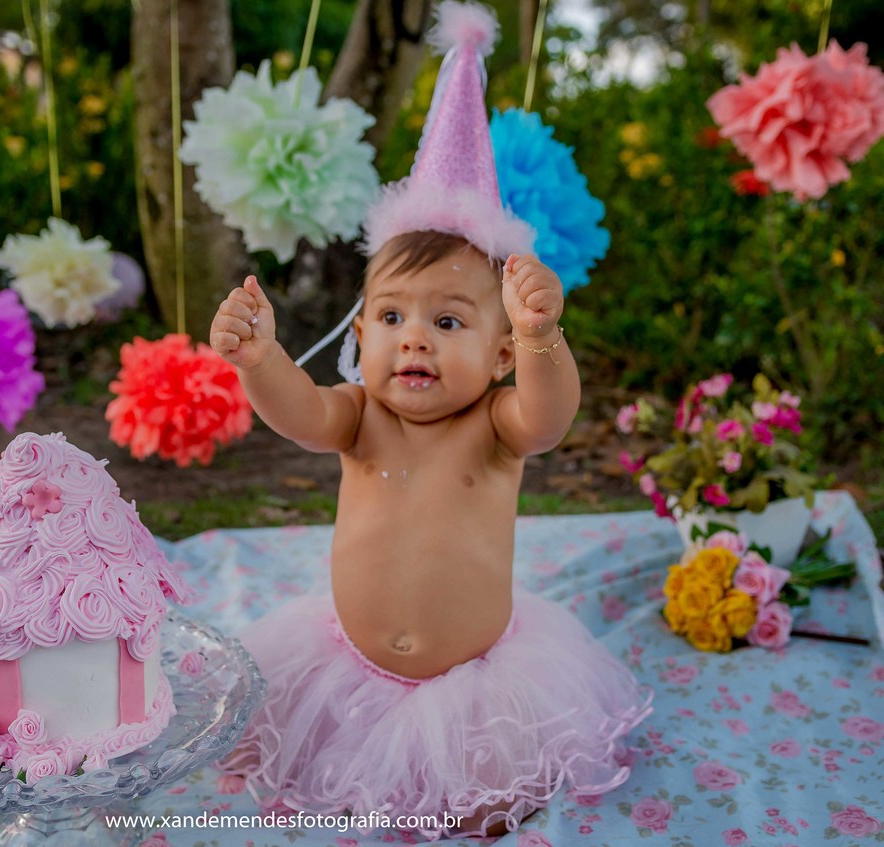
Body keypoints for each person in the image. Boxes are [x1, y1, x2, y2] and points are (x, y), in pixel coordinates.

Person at [205, 1, 651, 837]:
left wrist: (544, 336)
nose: (415, 339)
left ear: (500, 353)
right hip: (348, 663)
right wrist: (262, 360)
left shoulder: (498, 424)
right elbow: (301, 415)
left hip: (474, 685)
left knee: (482, 799)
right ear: (360, 334)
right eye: (392, 316)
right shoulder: (358, 414)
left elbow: (551, 418)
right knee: (302, 757)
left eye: (448, 321)